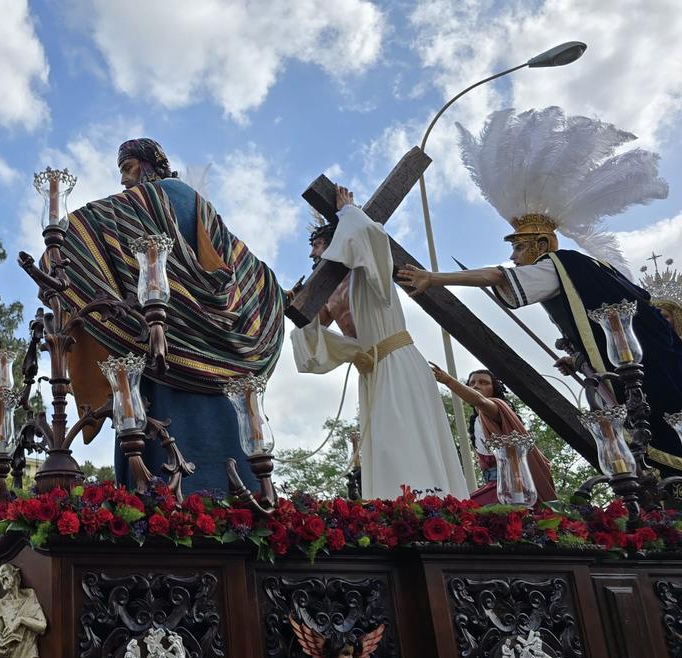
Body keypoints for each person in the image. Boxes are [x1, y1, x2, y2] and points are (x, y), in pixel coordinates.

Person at [397, 107, 682, 475]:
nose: (514, 257)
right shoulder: (585, 271)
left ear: (542, 243)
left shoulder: (559, 265)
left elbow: (498, 277)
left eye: (519, 247)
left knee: (653, 450)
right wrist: (579, 359)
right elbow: (603, 334)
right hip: (651, 369)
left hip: (648, 380)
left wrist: (434, 279)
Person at [48, 138, 286, 492]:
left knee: (161, 489)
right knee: (237, 492)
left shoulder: (140, 203)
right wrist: (274, 292)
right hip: (226, 381)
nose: (124, 181)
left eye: (128, 169)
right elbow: (251, 272)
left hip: (163, 369)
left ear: (150, 164)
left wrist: (54, 246)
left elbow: (72, 234)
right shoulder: (205, 212)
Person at [291, 185, 469, 499]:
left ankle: (430, 505)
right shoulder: (330, 294)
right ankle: (392, 512)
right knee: (382, 445)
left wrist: (348, 211)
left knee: (404, 436)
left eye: (318, 245)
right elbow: (312, 335)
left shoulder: (370, 272)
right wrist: (295, 307)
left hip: (397, 361)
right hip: (371, 372)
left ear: (337, 242)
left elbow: (371, 236)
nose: (311, 253)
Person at [432, 365, 557, 504]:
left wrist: (448, 380)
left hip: (513, 488)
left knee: (462, 511)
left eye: (483, 382)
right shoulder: (477, 420)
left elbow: (480, 401)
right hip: (494, 486)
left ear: (495, 388)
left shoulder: (496, 408)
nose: (476, 386)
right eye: (472, 383)